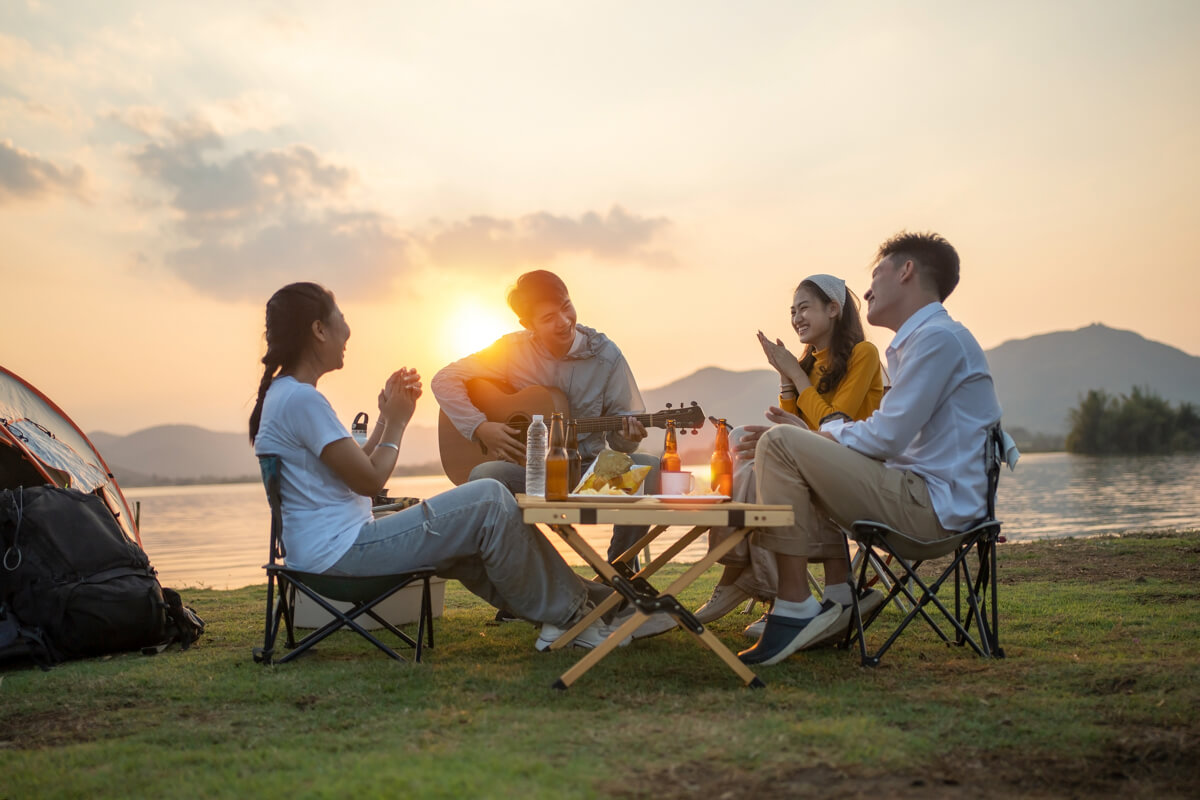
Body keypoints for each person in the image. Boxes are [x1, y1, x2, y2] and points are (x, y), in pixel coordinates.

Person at [249, 282, 619, 653]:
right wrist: (397, 421)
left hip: (322, 558)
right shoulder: (302, 400)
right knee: (489, 498)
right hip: (343, 560)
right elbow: (371, 480)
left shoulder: (285, 396)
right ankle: (577, 616)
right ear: (318, 329)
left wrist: (383, 418)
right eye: (341, 318)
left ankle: (599, 607)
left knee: (473, 540)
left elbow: (355, 466)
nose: (347, 331)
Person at [738, 232, 1003, 665]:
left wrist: (817, 438)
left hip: (931, 511)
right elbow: (885, 437)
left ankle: (794, 606)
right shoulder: (924, 342)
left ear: (907, 271)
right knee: (783, 446)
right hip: (923, 497)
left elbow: (885, 437)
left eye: (876, 273)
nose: (866, 289)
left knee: (782, 442)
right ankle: (833, 597)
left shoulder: (938, 340)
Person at [693, 274, 885, 636]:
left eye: (804, 308)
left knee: (762, 461)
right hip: (817, 461)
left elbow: (835, 424)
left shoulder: (864, 353)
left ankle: (752, 579)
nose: (796, 317)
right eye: (792, 311)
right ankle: (757, 578)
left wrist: (795, 375)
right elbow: (793, 427)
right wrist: (787, 378)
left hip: (859, 467)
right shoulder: (809, 366)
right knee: (741, 443)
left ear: (833, 309)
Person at [431, 269, 659, 566]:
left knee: (649, 468)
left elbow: (621, 440)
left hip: (586, 473)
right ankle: (527, 577)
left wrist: (627, 437)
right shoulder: (511, 351)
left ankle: (620, 571)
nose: (564, 322)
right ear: (529, 325)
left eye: (566, 307)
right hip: (531, 474)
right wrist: (480, 427)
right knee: (484, 477)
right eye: (549, 318)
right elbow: (444, 379)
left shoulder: (606, 356)